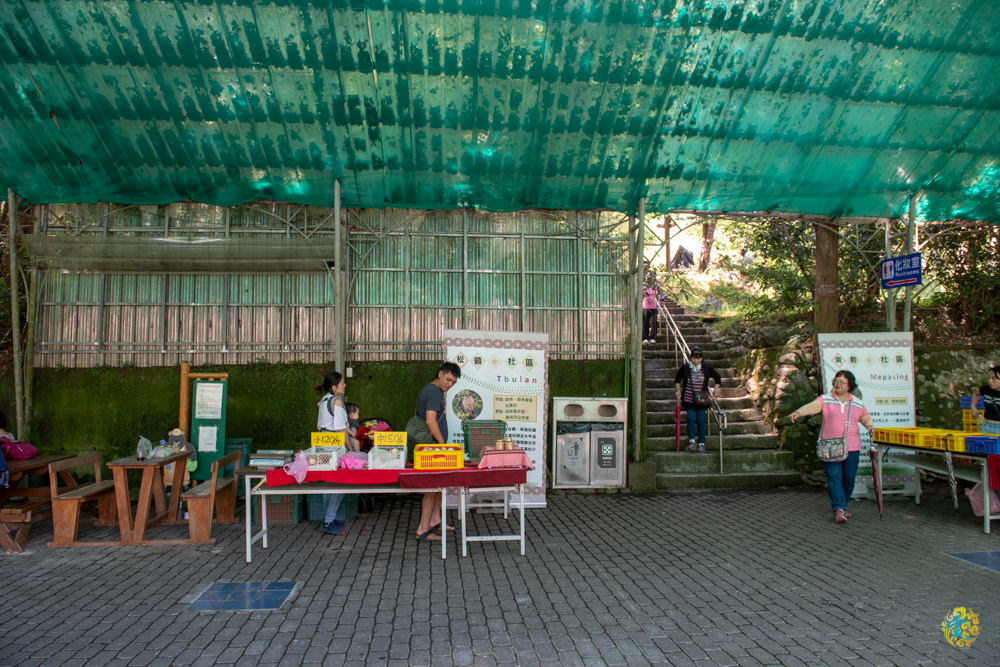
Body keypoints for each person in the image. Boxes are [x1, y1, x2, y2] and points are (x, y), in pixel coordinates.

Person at [789, 370, 874, 524]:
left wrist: (870, 426)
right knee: (834, 477)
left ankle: (843, 504)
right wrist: (799, 412)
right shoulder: (826, 399)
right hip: (829, 447)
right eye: (836, 381)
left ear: (850, 385)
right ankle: (839, 508)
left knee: (849, 479)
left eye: (842, 382)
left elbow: (866, 418)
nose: (838, 384)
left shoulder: (857, 402)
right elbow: (813, 406)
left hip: (852, 447)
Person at [406, 361, 461, 541]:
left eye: (453, 382)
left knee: (439, 485)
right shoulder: (433, 393)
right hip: (433, 446)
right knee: (431, 487)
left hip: (434, 444)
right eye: (448, 380)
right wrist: (442, 442)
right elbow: (430, 421)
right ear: (440, 374)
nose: (449, 384)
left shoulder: (435, 391)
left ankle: (435, 521)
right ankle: (423, 529)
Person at [315, 371, 352, 535]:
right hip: (333, 446)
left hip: (322, 444)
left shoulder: (323, 401)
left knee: (327, 483)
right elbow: (341, 429)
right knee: (340, 482)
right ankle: (329, 521)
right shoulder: (336, 402)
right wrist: (351, 450)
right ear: (334, 387)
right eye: (342, 383)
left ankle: (328, 518)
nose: (344, 386)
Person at [674, 347, 721, 453]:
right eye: (694, 358)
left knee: (700, 420)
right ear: (691, 358)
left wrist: (716, 390)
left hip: (702, 397)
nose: (696, 360)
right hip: (688, 397)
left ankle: (701, 443)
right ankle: (691, 442)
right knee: (690, 419)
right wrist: (678, 391)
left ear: (701, 358)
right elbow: (677, 379)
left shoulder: (706, 368)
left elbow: (717, 377)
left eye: (698, 358)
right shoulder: (685, 368)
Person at [971, 364, 1000, 434]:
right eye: (989, 378)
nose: (990, 381)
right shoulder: (986, 389)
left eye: (993, 378)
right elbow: (976, 393)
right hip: (985, 425)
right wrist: (973, 406)